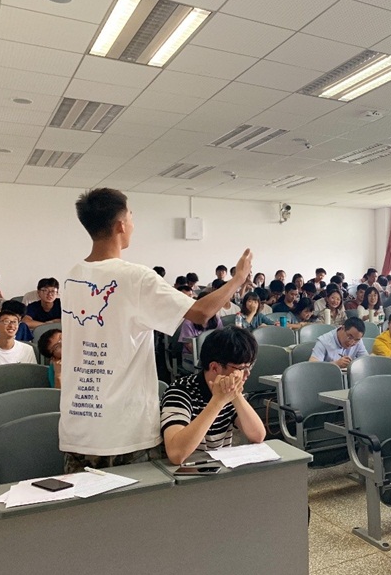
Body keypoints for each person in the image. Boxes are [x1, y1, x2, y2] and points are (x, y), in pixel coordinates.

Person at [60, 187, 252, 472]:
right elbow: (201, 313)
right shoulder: (135, 277)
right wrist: (237, 279)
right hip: (125, 432)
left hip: (78, 427)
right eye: (131, 216)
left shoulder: (72, 276)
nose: (133, 223)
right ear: (121, 225)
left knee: (84, 502)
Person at [160, 326, 265, 465]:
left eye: (249, 367)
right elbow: (176, 454)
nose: (247, 374)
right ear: (215, 367)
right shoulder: (180, 392)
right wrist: (217, 401)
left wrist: (236, 394)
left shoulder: (229, 392)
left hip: (220, 466)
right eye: (241, 368)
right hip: (184, 470)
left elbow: (258, 436)